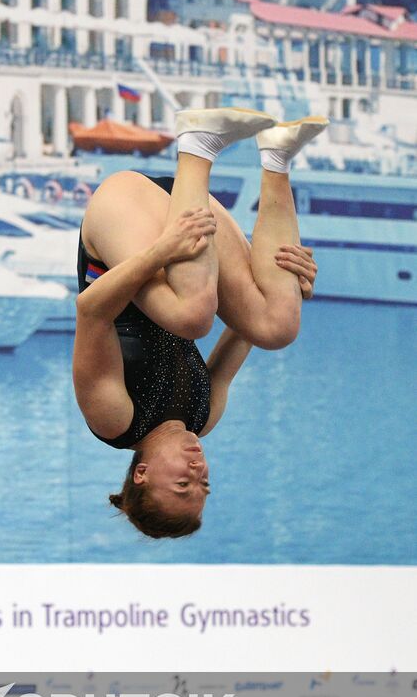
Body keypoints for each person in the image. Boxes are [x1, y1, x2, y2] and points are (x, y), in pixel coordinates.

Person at [73, 108, 327, 539]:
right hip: (187, 209)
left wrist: (161, 251)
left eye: (183, 482)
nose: (198, 469)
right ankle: (277, 158)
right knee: (278, 327)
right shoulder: (203, 417)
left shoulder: (114, 419)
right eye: (204, 483)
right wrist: (290, 287)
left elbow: (91, 310)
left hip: (123, 211)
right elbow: (248, 329)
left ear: (142, 475)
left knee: (191, 316)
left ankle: (197, 144)